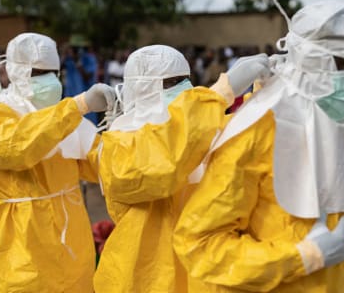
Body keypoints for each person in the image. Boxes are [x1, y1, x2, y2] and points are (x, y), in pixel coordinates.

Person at [174, 1, 344, 292]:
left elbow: (297, 210)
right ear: (315, 60)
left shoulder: (325, 112)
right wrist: (302, 257)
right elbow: (201, 245)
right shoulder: (257, 130)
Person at [93, 44, 270, 293]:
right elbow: (163, 162)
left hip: (205, 267)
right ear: (142, 86)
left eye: (185, 80)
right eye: (172, 82)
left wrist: (263, 94)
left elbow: (246, 133)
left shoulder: (204, 123)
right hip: (147, 275)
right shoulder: (120, 140)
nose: (184, 90)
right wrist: (220, 93)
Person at [0, 32, 114, 292]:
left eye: (54, 72)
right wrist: (78, 106)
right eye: (39, 72)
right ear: (16, 72)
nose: (51, 81)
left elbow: (102, 163)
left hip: (72, 246)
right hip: (22, 247)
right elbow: (18, 148)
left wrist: (130, 127)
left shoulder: (62, 118)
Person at [61, 37, 99, 124]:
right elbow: (58, 70)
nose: (76, 50)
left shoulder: (90, 59)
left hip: (86, 99)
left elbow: (87, 77)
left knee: (88, 125)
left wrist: (77, 61)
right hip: (71, 97)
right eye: (73, 48)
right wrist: (64, 55)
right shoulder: (68, 59)